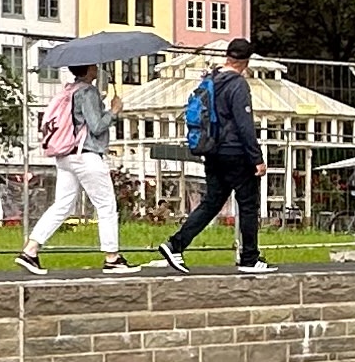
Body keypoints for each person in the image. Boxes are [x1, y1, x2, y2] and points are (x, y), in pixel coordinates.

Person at [157, 39, 268, 272]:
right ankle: (249, 258)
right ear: (246, 62)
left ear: (228, 56)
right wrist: (256, 158)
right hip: (235, 152)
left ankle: (175, 244)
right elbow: (244, 124)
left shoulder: (211, 79)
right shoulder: (238, 84)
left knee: (212, 202)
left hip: (212, 151)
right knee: (248, 204)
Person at [17, 65, 130, 276]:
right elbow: (96, 126)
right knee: (106, 205)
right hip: (85, 155)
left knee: (63, 205)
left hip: (65, 155)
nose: (97, 68)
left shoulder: (69, 90)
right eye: (94, 66)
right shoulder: (88, 92)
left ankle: (30, 250)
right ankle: (112, 258)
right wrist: (113, 111)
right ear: (88, 70)